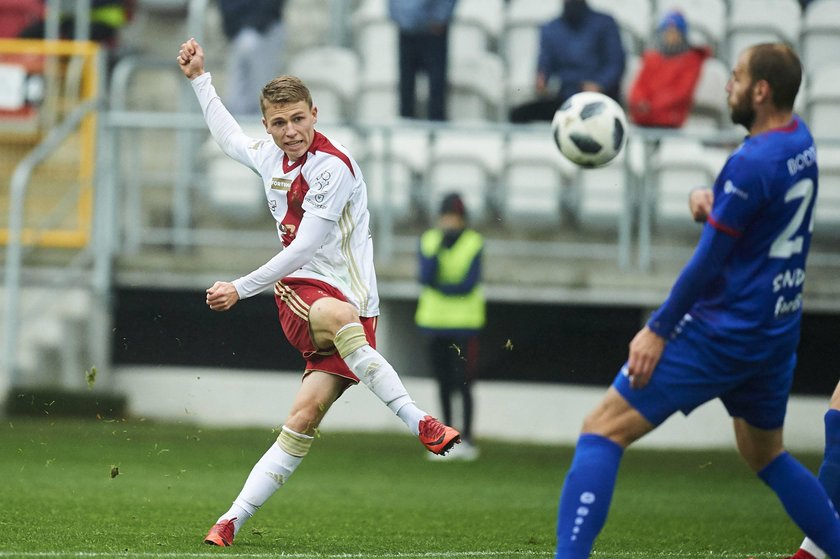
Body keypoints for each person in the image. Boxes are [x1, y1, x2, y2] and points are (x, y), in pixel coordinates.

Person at [554, 42, 840, 558]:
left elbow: (708, 263)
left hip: (724, 331)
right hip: (776, 332)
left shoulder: (750, 163)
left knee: (601, 430)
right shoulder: (801, 142)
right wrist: (716, 204)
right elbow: (761, 220)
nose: (726, 86)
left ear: (760, 90)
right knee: (767, 455)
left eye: (735, 77)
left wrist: (658, 329)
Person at [176, 37, 461, 547]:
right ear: (267, 125)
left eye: (298, 119)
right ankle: (422, 422)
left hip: (355, 306)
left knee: (302, 419)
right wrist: (201, 80)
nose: (290, 132)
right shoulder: (268, 155)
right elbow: (227, 139)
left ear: (315, 115)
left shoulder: (332, 167)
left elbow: (304, 242)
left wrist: (239, 288)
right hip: (306, 293)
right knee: (339, 317)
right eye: (279, 122)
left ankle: (229, 521)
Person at [415, 193, 485, 460]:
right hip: (434, 322)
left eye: (454, 218)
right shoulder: (430, 240)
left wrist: (443, 287)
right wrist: (440, 250)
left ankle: (467, 438)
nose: (450, 223)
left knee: (463, 382)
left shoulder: (473, 242)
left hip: (464, 325)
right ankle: (446, 437)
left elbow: (469, 283)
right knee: (443, 382)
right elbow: (425, 276)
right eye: (446, 217)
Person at [509, 0, 625, 123]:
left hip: (599, 100)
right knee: (518, 114)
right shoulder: (550, 28)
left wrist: (599, 84)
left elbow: (616, 64)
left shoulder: (605, 23)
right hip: (565, 99)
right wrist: (541, 80)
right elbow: (544, 66)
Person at [627, 10, 710, 128]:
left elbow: (681, 92)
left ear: (683, 35)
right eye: (667, 32)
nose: (671, 36)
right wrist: (640, 102)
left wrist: (650, 106)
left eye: (675, 32)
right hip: (643, 117)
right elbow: (639, 85)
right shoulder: (652, 57)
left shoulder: (691, 61)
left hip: (670, 120)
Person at [388, 0, 457, 121]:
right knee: (406, 84)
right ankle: (405, 127)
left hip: (434, 31)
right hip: (407, 29)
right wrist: (400, 18)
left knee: (436, 85)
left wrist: (440, 18)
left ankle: (437, 130)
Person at [218, 0, 285, 116]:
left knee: (263, 86)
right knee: (238, 90)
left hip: (266, 27)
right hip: (239, 30)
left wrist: (256, 25)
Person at [18, 0, 128, 46]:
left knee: (74, 36)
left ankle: (74, 81)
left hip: (102, 20)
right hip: (67, 20)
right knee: (28, 35)